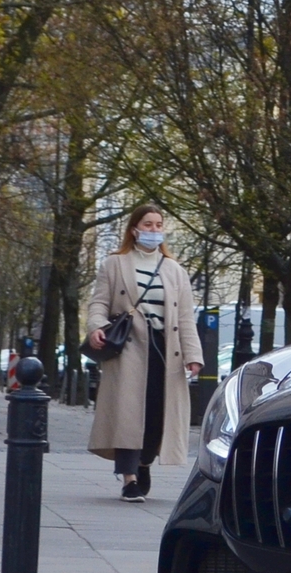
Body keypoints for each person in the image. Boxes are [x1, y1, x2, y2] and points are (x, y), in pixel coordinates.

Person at [86, 204, 203, 500]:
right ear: (134, 229)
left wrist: (193, 355)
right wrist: (97, 326)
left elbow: (186, 317)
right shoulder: (114, 264)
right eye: (147, 224)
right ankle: (129, 478)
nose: (153, 230)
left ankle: (144, 461)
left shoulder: (174, 270)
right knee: (128, 414)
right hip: (128, 347)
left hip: (165, 349)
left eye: (158, 225)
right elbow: (98, 303)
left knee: (156, 413)